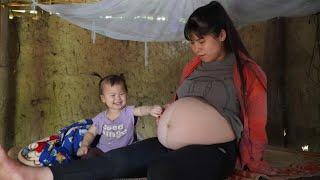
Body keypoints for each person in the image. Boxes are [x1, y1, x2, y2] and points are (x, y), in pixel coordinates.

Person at [0, 1, 276, 180]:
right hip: (173, 143)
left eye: (201, 41)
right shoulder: (193, 67)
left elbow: (256, 121)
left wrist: (252, 162)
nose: (196, 48)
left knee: (161, 171)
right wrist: (169, 116)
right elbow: (182, 103)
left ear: (222, 34)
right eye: (192, 42)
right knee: (117, 160)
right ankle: (33, 176)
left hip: (216, 151)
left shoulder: (246, 71)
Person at [77, 74, 163, 158]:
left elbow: (140, 110)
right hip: (103, 153)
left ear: (127, 94)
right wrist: (84, 145)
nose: (118, 98)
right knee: (88, 156)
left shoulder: (128, 112)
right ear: (103, 98)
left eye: (121, 94)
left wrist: (150, 109)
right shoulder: (101, 118)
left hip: (125, 153)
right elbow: (91, 133)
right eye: (113, 95)